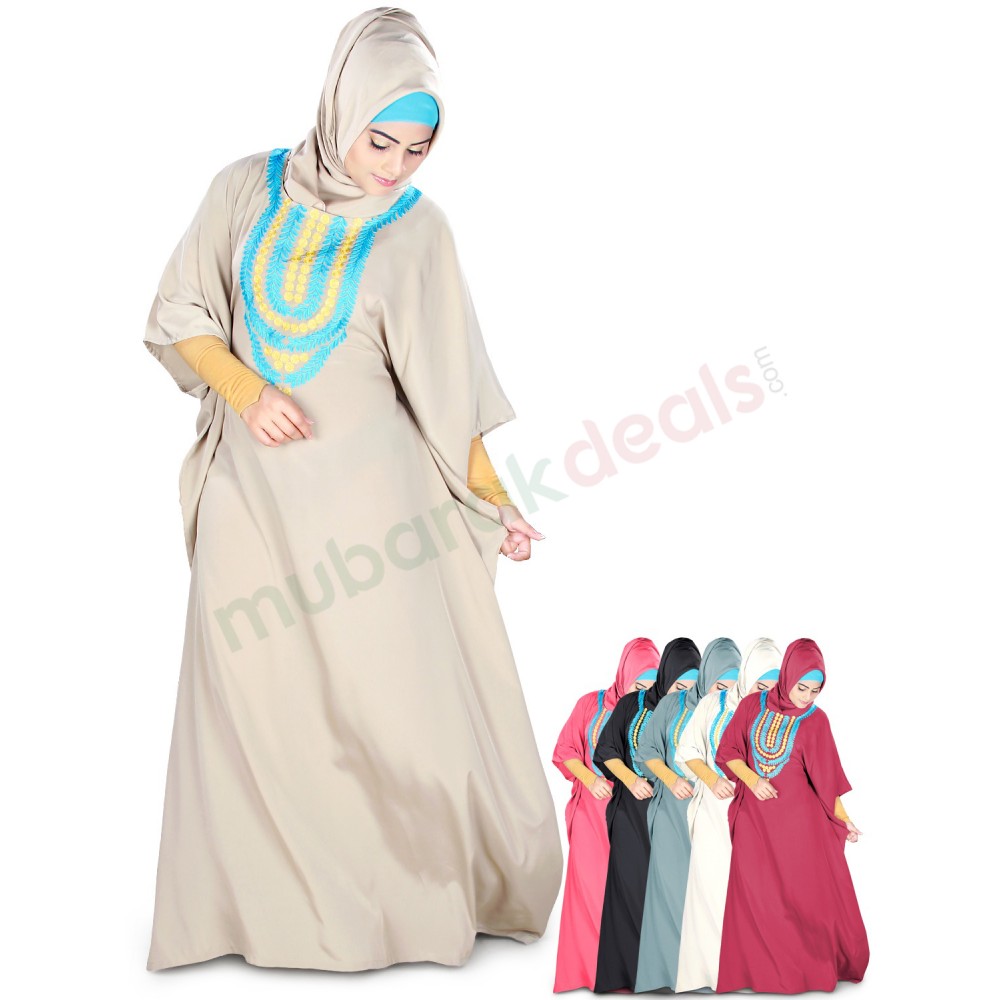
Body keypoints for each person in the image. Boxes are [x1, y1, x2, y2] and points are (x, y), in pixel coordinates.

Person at [142, 7, 562, 973]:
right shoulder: (243, 190)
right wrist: (246, 392)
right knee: (255, 709)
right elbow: (177, 311)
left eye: (419, 148)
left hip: (378, 519)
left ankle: (402, 910)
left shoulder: (423, 234)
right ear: (341, 107)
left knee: (391, 711)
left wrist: (497, 501)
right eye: (382, 141)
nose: (396, 167)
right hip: (253, 509)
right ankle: (254, 915)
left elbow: (449, 394)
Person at [715, 638, 869, 993]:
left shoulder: (817, 722)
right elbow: (728, 751)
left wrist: (844, 819)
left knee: (800, 899)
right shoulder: (752, 706)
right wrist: (753, 780)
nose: (807, 697)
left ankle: (802, 971)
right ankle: (757, 973)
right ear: (787, 676)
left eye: (815, 691)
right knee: (756, 897)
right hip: (755, 822)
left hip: (799, 829)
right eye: (802, 688)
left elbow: (828, 781)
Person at [591, 637, 701, 994]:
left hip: (674, 812)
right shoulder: (632, 704)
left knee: (676, 894)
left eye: (692, 686)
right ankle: (628, 976)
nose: (684, 693)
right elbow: (606, 750)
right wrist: (631, 780)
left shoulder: (696, 710)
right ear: (665, 675)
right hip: (632, 812)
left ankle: (672, 974)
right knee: (632, 890)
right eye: (679, 686)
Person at [551, 637, 661, 993]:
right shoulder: (591, 704)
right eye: (639, 684)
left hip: (634, 815)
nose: (644, 692)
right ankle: (588, 972)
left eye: (652, 685)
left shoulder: (658, 710)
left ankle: (631, 972)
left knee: (632, 891)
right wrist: (591, 780)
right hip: (592, 815)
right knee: (592, 891)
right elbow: (565, 751)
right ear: (624, 675)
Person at [672, 637, 782, 992]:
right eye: (760, 686)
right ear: (746, 676)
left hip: (761, 817)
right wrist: (712, 780)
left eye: (774, 687)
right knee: (712, 890)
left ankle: (754, 972)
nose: (765, 694)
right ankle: (711, 974)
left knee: (758, 895)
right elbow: (687, 751)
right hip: (715, 813)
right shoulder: (713, 704)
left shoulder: (781, 712)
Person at [633, 637, 734, 992]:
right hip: (673, 813)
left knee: (713, 897)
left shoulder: (737, 709)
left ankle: (712, 974)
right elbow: (646, 751)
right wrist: (672, 779)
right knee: (674, 894)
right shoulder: (673, 704)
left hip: (715, 817)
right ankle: (668, 975)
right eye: (720, 684)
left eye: (734, 684)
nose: (726, 692)